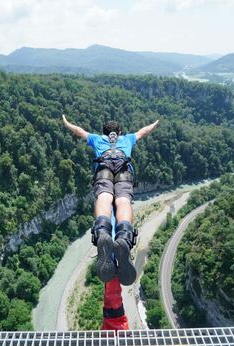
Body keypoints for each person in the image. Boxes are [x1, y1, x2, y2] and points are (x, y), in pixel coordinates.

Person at [62, 114, 160, 286]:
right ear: (119, 132)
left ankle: (103, 232)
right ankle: (123, 236)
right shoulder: (127, 139)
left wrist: (66, 122)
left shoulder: (96, 139)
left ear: (104, 133)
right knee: (123, 201)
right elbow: (143, 132)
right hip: (123, 171)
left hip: (103, 170)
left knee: (104, 197)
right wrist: (154, 124)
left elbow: (79, 131)